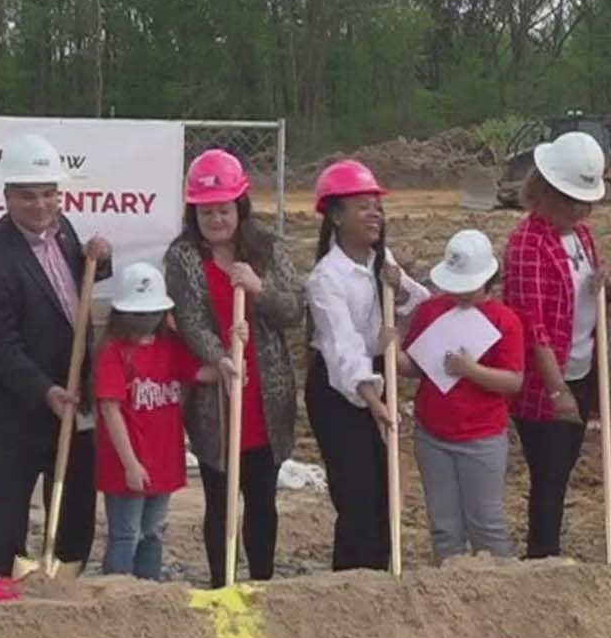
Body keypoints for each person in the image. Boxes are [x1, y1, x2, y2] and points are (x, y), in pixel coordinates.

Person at [0, 133, 112, 577]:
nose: (41, 205)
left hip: (73, 395)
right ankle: (6, 592)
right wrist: (45, 391)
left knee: (76, 501)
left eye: (49, 195)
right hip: (17, 407)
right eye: (28, 197)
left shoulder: (62, 230)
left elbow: (69, 291)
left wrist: (98, 260)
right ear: (7, 196)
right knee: (9, 509)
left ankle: (65, 577)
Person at [162, 149, 306, 588]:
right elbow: (190, 321)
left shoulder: (267, 248)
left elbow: (294, 309)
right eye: (206, 212)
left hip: (266, 395)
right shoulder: (183, 257)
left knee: (262, 498)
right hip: (218, 395)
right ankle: (221, 583)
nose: (216, 220)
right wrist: (219, 358)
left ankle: (261, 581)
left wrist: (259, 289)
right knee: (220, 499)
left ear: (239, 207)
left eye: (223, 210)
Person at [305, 158, 428, 572]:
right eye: (363, 206)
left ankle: (384, 574)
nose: (375, 214)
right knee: (357, 493)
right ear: (336, 215)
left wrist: (401, 287)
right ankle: (353, 582)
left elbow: (419, 303)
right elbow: (342, 349)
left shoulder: (382, 261)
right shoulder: (326, 279)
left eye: (378, 206)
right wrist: (374, 400)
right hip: (341, 389)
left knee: (386, 491)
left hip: (380, 373)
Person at [502, 131, 611, 559]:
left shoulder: (581, 236)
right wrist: (557, 389)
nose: (582, 210)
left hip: (583, 367)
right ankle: (543, 555)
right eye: (572, 201)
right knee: (549, 476)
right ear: (546, 193)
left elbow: (589, 295)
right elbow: (533, 326)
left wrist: (607, 286)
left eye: (585, 201)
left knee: (563, 469)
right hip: (546, 384)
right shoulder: (528, 243)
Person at [401, 229, 524, 561]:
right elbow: (415, 366)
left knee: (487, 524)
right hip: (433, 433)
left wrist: (471, 370)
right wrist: (388, 350)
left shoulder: (505, 321)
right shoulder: (431, 311)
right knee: (444, 525)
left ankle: (499, 589)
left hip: (481, 437)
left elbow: (513, 381)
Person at [94, 263, 222, 579]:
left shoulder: (169, 347)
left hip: (163, 459)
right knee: (127, 533)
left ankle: (148, 589)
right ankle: (118, 593)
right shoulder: (113, 353)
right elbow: (110, 409)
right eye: (138, 314)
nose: (146, 320)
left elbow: (199, 373)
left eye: (152, 313)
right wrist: (130, 464)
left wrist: (227, 364)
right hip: (129, 461)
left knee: (153, 531)